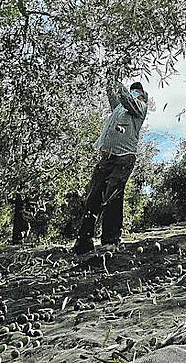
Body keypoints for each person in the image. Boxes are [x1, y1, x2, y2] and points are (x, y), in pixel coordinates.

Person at [73, 81, 148, 254]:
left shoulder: (140, 107)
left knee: (112, 196)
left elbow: (126, 98)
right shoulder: (119, 109)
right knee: (93, 197)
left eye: (138, 92)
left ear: (142, 94)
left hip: (124, 158)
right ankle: (84, 241)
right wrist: (110, 80)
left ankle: (110, 241)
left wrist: (118, 81)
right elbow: (114, 96)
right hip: (106, 158)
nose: (135, 94)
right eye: (134, 91)